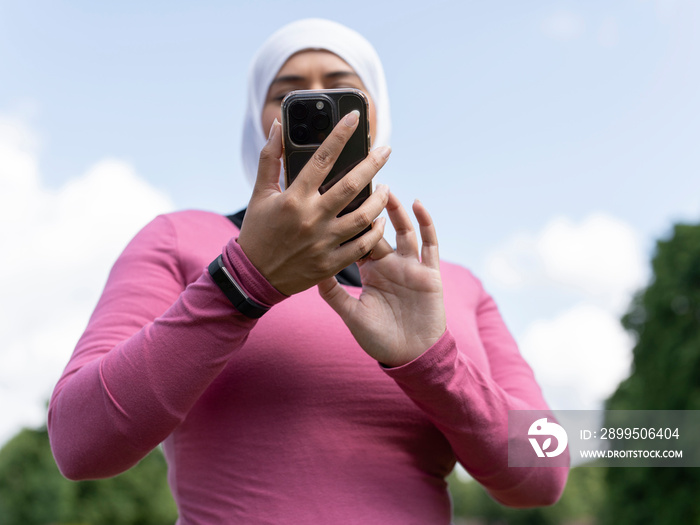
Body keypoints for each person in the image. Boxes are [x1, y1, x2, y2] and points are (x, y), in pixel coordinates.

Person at [48, 18, 568, 524]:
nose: (317, 104)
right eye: (288, 94)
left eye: (341, 90)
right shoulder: (180, 239)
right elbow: (78, 444)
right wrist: (244, 281)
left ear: (376, 115)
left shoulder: (454, 286)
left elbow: (547, 473)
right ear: (261, 118)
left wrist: (433, 363)